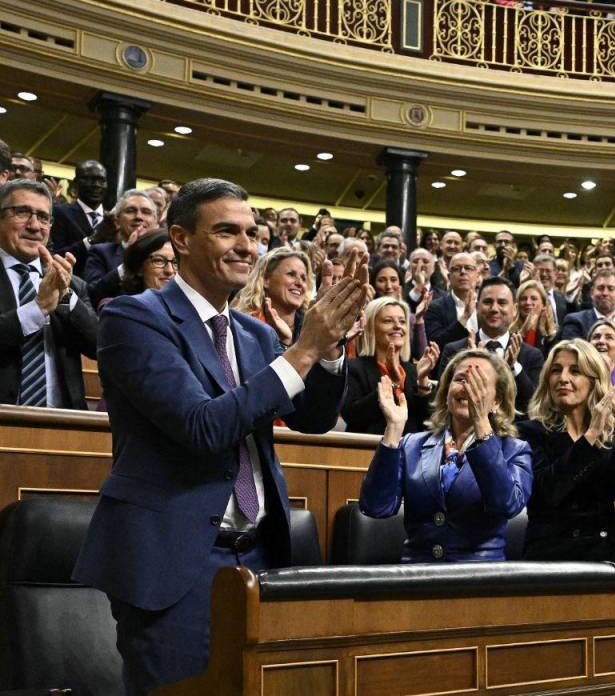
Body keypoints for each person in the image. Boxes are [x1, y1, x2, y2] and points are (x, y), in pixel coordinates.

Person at [73, 178, 367, 695]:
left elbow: (312, 419)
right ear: (181, 238)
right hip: (173, 563)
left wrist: (329, 348)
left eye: (251, 233)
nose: (246, 246)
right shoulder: (132, 317)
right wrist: (302, 350)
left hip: (258, 557)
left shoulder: (252, 334)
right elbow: (202, 426)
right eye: (227, 231)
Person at [360, 348, 533, 561]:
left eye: (478, 382)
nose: (467, 388)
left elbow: (506, 505)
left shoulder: (515, 450)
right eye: (460, 379)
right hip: (417, 577)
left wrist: (481, 424)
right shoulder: (411, 445)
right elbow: (376, 507)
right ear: (446, 391)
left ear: (496, 401)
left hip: (480, 580)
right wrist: (394, 429)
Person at [519, 339, 615, 560]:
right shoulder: (530, 432)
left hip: (605, 557)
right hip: (549, 560)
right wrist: (590, 437)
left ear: (594, 381)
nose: (563, 378)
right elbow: (546, 493)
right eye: (556, 370)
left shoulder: (610, 436)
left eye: (575, 371)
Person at [0, 179, 98, 409]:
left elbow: (99, 347)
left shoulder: (72, 284)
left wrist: (65, 296)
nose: (35, 226)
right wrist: (37, 309)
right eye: (22, 212)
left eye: (43, 217)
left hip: (60, 428)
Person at [436, 277, 544, 416]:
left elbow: (534, 404)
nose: (494, 309)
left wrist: (513, 367)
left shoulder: (532, 355)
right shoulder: (455, 350)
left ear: (515, 309)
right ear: (477, 307)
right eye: (487, 302)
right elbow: (441, 402)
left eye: (502, 303)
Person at [342, 296, 439, 436]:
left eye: (402, 321)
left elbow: (429, 421)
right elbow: (352, 416)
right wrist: (392, 384)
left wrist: (423, 382)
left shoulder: (413, 371)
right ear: (371, 328)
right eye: (388, 321)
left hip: (409, 453)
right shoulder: (354, 368)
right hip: (368, 451)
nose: (398, 326)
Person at [84, 189, 159, 305]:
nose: (139, 216)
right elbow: (91, 294)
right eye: (130, 211)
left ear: (155, 221)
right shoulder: (100, 252)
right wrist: (129, 260)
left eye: (146, 212)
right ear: (117, 220)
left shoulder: (169, 254)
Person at [232, 247, 314, 348]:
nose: (299, 283)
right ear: (266, 280)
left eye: (303, 278)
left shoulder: (311, 329)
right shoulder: (243, 327)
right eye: (291, 274)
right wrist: (284, 344)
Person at [50, 160, 108, 275]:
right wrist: (91, 240)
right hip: (70, 284)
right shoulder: (59, 212)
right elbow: (56, 256)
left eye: (101, 180)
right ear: (76, 182)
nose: (96, 185)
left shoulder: (114, 219)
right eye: (89, 179)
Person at [118, 228, 178, 297]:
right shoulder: (122, 306)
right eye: (159, 261)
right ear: (139, 267)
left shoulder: (189, 306)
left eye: (176, 262)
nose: (169, 270)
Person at [512, 279, 558, 356]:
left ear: (544, 305)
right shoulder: (510, 332)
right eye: (523, 298)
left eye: (534, 298)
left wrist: (550, 334)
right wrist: (524, 331)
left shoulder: (551, 334)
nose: (528, 302)